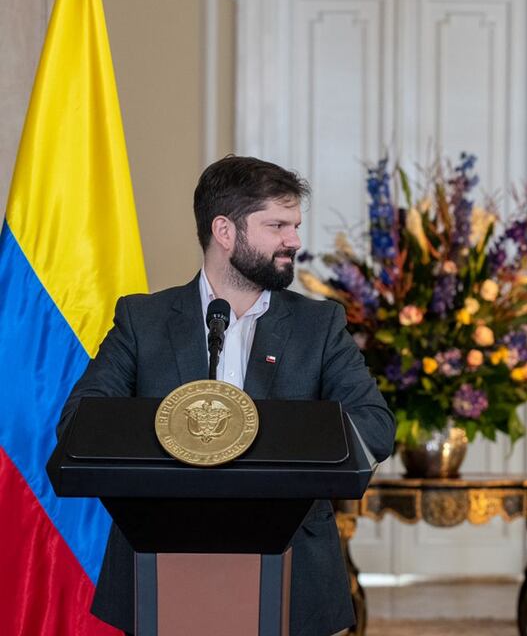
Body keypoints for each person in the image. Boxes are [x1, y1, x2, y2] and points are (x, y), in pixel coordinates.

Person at [57, 155, 396, 636]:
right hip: (160, 563)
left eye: (295, 226)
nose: (294, 241)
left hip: (293, 569)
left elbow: (375, 427)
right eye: (277, 225)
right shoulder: (142, 320)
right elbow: (80, 422)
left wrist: (275, 441)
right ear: (224, 231)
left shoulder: (319, 326)